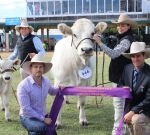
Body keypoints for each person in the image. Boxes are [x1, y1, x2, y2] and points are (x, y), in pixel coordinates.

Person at [93, 14, 138, 135]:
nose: (120, 27)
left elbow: (113, 54)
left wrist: (100, 43)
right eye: (118, 25)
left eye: (122, 25)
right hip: (123, 78)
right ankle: (126, 131)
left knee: (119, 105)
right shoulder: (125, 38)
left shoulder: (126, 40)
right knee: (124, 106)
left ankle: (117, 132)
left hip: (121, 79)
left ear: (128, 26)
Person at [17, 54, 65, 135]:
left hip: (42, 115)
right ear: (31, 69)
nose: (38, 69)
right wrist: (43, 119)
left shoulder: (46, 81)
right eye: (36, 67)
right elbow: (26, 109)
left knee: (51, 132)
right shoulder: (23, 86)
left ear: (43, 69)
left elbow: (52, 91)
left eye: (40, 67)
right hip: (27, 117)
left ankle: (32, 133)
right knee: (42, 128)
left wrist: (59, 88)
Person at [120, 42, 150, 135]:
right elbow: (120, 84)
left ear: (144, 55)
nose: (135, 59)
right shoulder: (127, 68)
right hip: (129, 108)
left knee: (136, 120)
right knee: (134, 132)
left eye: (138, 56)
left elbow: (149, 100)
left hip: (146, 109)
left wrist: (133, 112)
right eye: (133, 56)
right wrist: (123, 88)